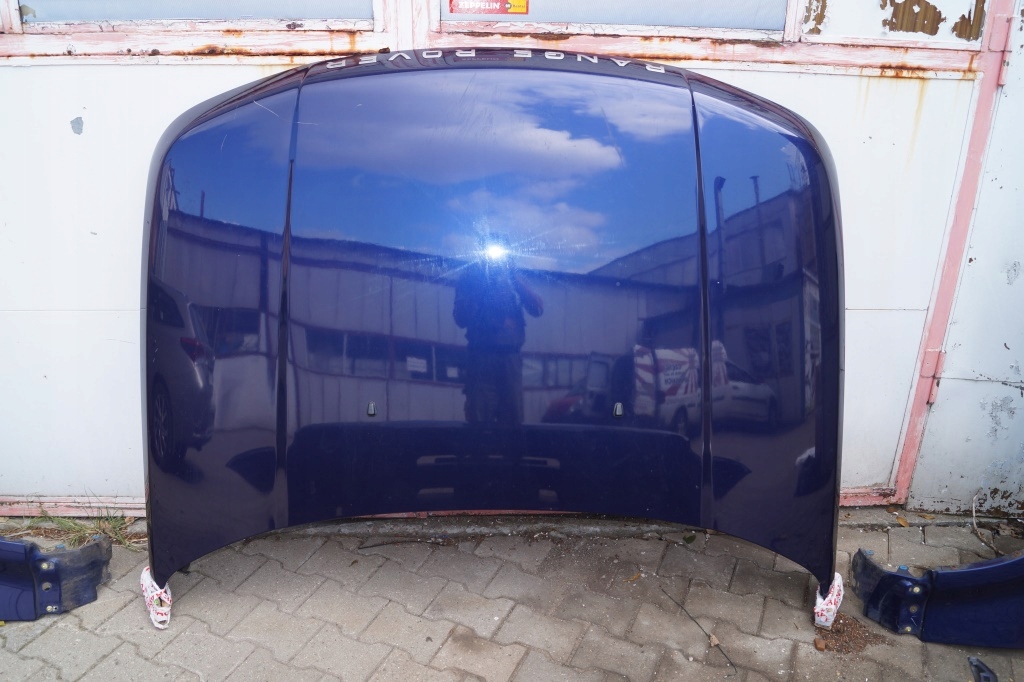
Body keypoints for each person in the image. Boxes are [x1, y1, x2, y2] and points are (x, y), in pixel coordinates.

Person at [453, 240, 543, 425]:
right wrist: (481, 285)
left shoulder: (514, 277)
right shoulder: (470, 278)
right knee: (479, 421)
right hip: (481, 359)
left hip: (510, 358)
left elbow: (538, 309)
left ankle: (510, 445)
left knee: (512, 422)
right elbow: (460, 319)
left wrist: (514, 278)